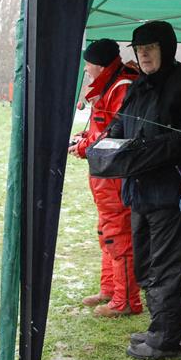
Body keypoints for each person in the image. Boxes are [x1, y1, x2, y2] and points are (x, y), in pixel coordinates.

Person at [104, 20, 181, 360]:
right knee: (146, 264)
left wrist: (146, 151)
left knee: (167, 267)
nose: (144, 55)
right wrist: (108, 142)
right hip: (139, 192)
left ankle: (168, 338)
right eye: (139, 50)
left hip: (172, 192)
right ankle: (160, 327)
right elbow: (122, 122)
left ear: (167, 48)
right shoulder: (139, 86)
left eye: (150, 48)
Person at [68, 39, 143, 317]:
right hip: (104, 175)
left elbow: (117, 133)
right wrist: (82, 140)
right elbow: (102, 127)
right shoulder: (110, 85)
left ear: (98, 65)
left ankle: (126, 301)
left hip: (114, 175)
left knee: (118, 234)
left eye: (88, 64)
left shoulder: (121, 87)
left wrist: (85, 146)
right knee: (106, 232)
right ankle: (110, 288)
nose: (86, 69)